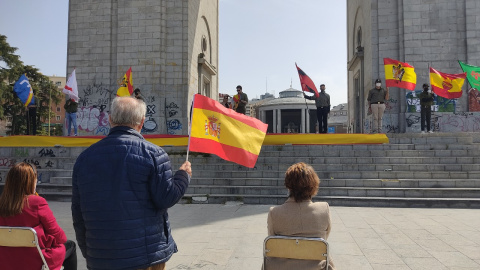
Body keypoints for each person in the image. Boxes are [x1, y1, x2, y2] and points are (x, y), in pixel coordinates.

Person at [72, 96, 192, 270]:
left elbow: (78, 212)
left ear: (110, 119)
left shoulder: (84, 159)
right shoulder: (154, 154)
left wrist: (88, 250)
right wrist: (183, 176)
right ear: (142, 122)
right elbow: (166, 198)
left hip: (101, 255)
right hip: (146, 257)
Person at [0, 162, 77, 270]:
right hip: (35, 261)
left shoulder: (2, 203)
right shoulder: (36, 202)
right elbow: (60, 237)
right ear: (30, 182)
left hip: (5, 261)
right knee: (71, 245)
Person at [266, 162, 335, 270]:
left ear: (288, 185)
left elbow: (273, 242)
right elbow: (325, 236)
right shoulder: (323, 209)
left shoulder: (274, 213)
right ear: (313, 185)